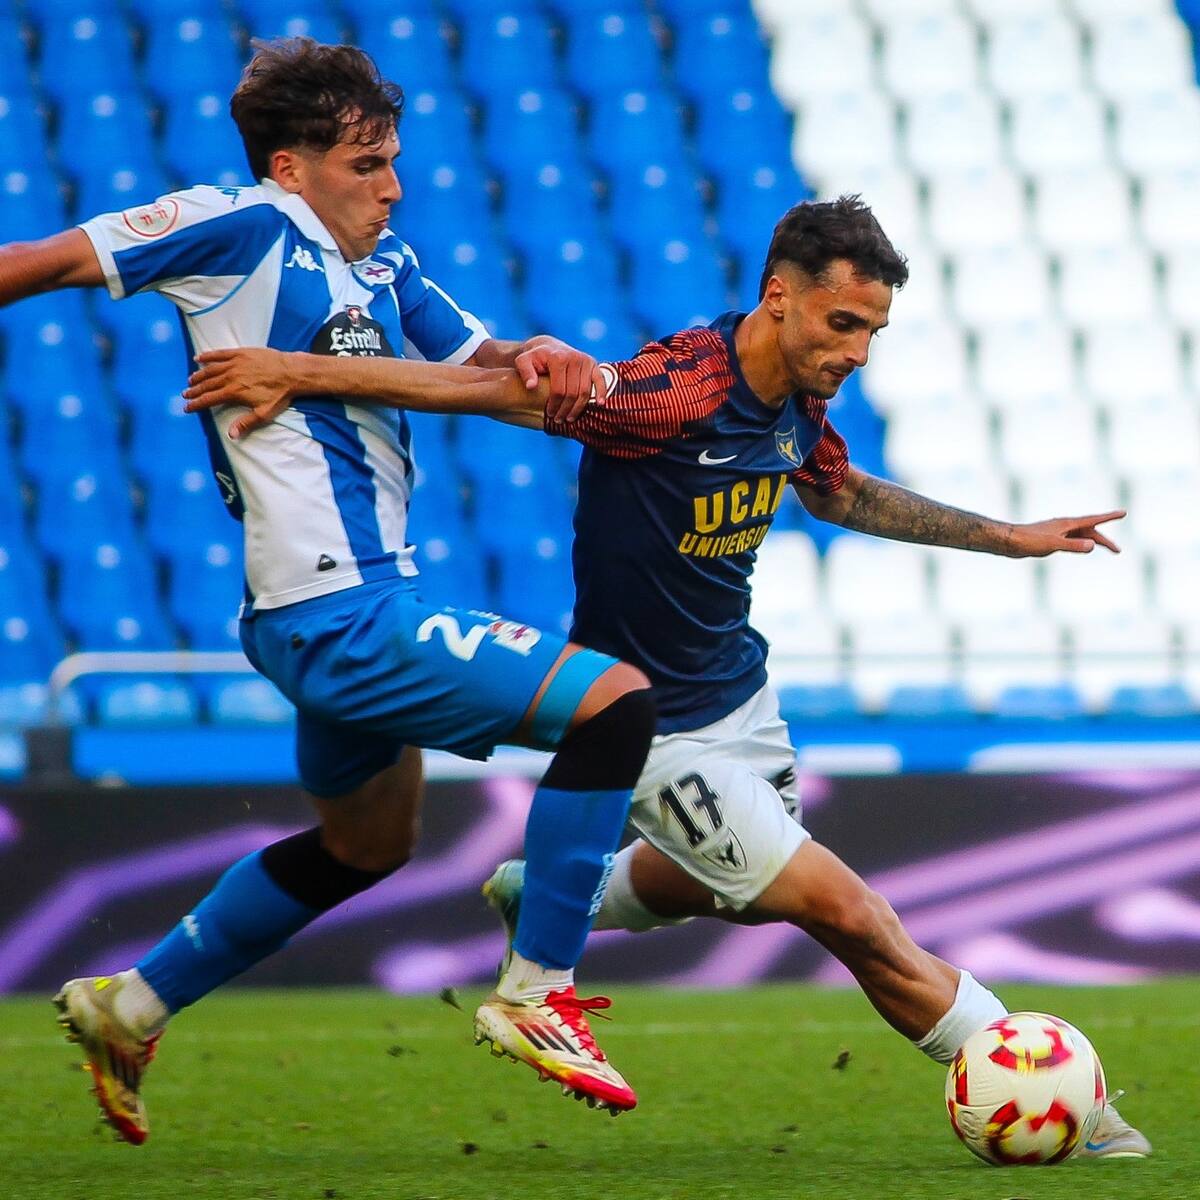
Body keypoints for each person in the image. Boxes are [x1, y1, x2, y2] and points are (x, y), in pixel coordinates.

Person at [184, 196, 1150, 1159]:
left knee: (713, 888)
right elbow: (497, 394)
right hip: (655, 729)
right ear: (780, 297)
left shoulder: (795, 405)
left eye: (873, 332)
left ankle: (559, 892)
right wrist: (298, 370)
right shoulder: (674, 389)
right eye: (843, 323)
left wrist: (1009, 538)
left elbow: (839, 490)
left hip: (742, 698)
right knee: (851, 916)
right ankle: (1046, 1086)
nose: (858, 352)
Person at [1, 38, 657, 1143]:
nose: (392, 185)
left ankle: (132, 1006)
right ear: (290, 167)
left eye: (393, 160)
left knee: (365, 846)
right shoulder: (241, 225)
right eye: (367, 164)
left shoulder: (388, 265)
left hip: (343, 613)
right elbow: (40, 263)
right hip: (337, 614)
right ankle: (538, 989)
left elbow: (499, 378)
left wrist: (538, 355)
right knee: (617, 706)